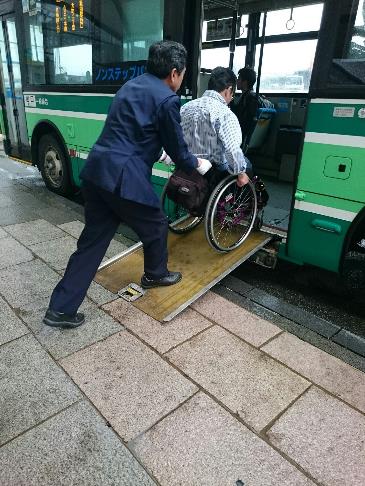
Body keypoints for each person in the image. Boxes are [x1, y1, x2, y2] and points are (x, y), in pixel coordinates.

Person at [43, 40, 208, 329]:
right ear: (174, 73)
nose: (181, 81)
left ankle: (60, 309)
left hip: (97, 172)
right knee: (156, 224)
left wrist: (158, 152)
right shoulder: (168, 99)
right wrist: (196, 164)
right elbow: (179, 148)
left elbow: (131, 133)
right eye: (182, 74)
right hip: (122, 178)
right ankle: (156, 274)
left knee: (92, 242)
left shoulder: (129, 87)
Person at [180, 66, 251, 188]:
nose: (231, 98)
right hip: (213, 172)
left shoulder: (185, 108)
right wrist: (241, 172)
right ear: (228, 90)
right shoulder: (225, 114)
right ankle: (240, 204)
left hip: (187, 165)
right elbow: (232, 149)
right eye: (232, 94)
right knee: (246, 165)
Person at [231, 67, 273, 148]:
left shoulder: (249, 98)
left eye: (239, 78)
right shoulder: (254, 97)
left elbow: (240, 120)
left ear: (245, 82)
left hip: (241, 136)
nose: (237, 81)